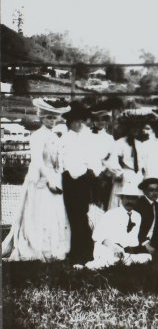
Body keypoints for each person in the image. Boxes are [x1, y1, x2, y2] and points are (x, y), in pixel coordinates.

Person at [2, 98, 71, 261]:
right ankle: (35, 248)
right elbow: (38, 162)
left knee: (53, 214)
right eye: (49, 118)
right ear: (41, 118)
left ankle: (52, 249)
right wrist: (50, 181)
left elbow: (57, 160)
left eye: (54, 118)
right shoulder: (37, 136)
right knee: (38, 213)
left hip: (54, 178)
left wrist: (59, 175)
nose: (52, 121)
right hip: (39, 179)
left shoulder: (54, 136)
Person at [78, 180, 152, 270]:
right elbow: (97, 236)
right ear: (121, 198)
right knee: (112, 258)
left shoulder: (137, 216)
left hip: (125, 251)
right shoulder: (111, 214)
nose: (130, 201)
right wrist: (114, 247)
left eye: (133, 198)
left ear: (137, 200)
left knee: (147, 257)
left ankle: (122, 261)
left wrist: (129, 250)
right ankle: (87, 267)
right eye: (127, 198)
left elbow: (133, 241)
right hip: (107, 248)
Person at [60, 101, 97, 264]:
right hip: (70, 180)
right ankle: (75, 251)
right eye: (75, 121)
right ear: (69, 122)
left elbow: (90, 159)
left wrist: (90, 171)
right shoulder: (64, 139)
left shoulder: (84, 139)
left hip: (83, 181)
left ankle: (84, 249)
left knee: (82, 214)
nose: (78, 124)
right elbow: (65, 162)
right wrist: (75, 172)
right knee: (74, 216)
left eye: (80, 121)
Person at [89, 108, 116, 210]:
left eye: (103, 120)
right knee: (91, 202)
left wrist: (106, 170)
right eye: (97, 120)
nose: (100, 122)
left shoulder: (109, 138)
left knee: (104, 201)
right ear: (93, 121)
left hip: (104, 174)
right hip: (90, 173)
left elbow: (112, 156)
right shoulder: (87, 136)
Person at [135, 177, 158, 252]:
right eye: (151, 190)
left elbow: (157, 228)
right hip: (139, 241)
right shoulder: (139, 205)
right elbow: (136, 230)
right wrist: (146, 244)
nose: (155, 193)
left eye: (157, 190)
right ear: (144, 191)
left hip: (152, 240)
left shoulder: (157, 206)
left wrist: (156, 244)